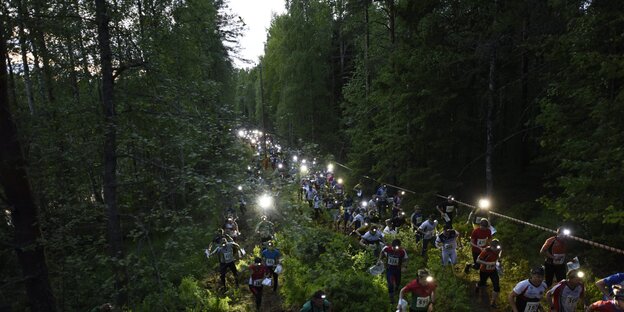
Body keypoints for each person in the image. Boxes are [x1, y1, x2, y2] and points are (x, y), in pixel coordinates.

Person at [379, 239, 408, 303]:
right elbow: (382, 252)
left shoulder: (402, 251)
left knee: (398, 282)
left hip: (398, 269)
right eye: (394, 248)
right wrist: (379, 260)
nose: (395, 249)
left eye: (397, 248)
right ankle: (391, 297)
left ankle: (397, 288)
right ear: (392, 246)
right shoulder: (387, 248)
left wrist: (404, 267)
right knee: (390, 283)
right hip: (389, 269)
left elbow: (405, 259)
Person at [476, 239, 502, 308]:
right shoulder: (486, 251)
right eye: (494, 248)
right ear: (491, 246)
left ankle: (493, 302)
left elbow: (499, 254)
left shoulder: (498, 249)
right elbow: (478, 260)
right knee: (482, 283)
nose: (496, 249)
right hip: (484, 270)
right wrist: (487, 263)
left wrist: (499, 260)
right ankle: (477, 286)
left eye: (497, 248)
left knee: (496, 286)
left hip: (493, 270)